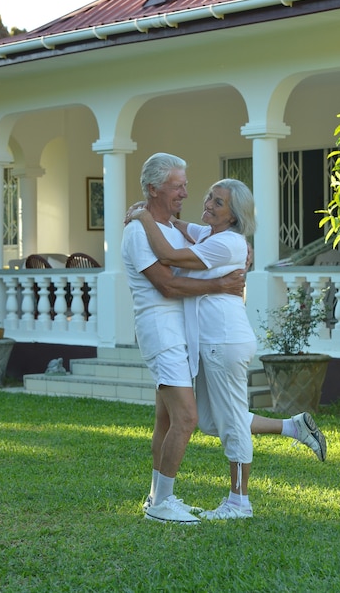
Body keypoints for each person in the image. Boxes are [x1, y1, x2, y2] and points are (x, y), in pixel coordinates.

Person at [129, 177, 327, 520]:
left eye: (217, 202)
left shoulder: (228, 244)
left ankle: (239, 502)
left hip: (225, 342)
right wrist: (167, 219)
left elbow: (169, 254)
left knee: (231, 420)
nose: (207, 203)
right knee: (209, 421)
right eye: (209, 196)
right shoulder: (212, 235)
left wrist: (143, 216)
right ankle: (293, 427)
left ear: (233, 216)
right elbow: (185, 227)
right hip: (211, 344)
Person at [121, 153, 246, 524]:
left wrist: (243, 248)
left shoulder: (171, 229)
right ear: (153, 189)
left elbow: (217, 238)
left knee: (165, 419)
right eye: (178, 187)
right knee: (187, 417)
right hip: (161, 331)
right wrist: (220, 285)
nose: (185, 193)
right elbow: (167, 284)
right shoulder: (137, 232)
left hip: (180, 332)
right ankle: (163, 504)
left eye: (185, 186)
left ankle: (157, 496)